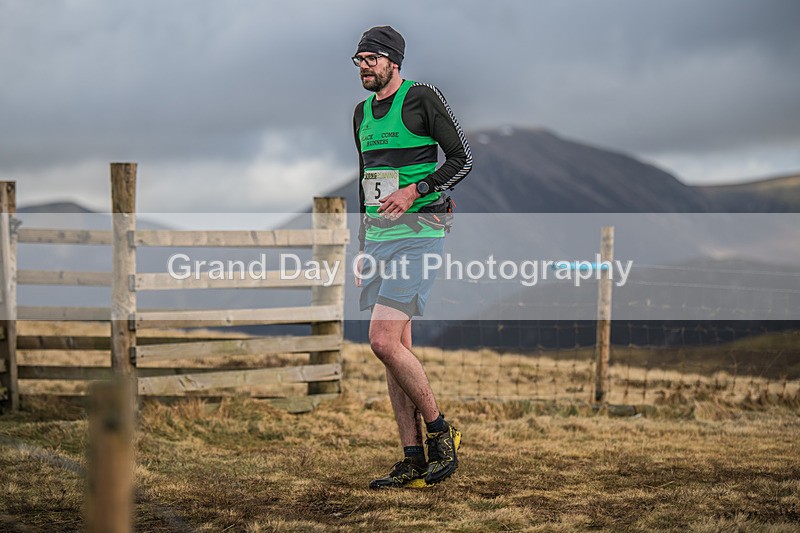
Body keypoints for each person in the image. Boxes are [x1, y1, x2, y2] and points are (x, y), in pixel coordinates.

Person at [351, 25, 473, 489]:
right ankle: (412, 458)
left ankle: (442, 432)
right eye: (358, 60)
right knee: (395, 351)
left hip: (420, 232)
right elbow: (366, 180)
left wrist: (417, 190)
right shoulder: (361, 114)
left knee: (381, 341)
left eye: (370, 59)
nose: (363, 67)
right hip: (379, 240)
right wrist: (364, 245)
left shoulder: (422, 98)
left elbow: (461, 159)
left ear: (392, 61)